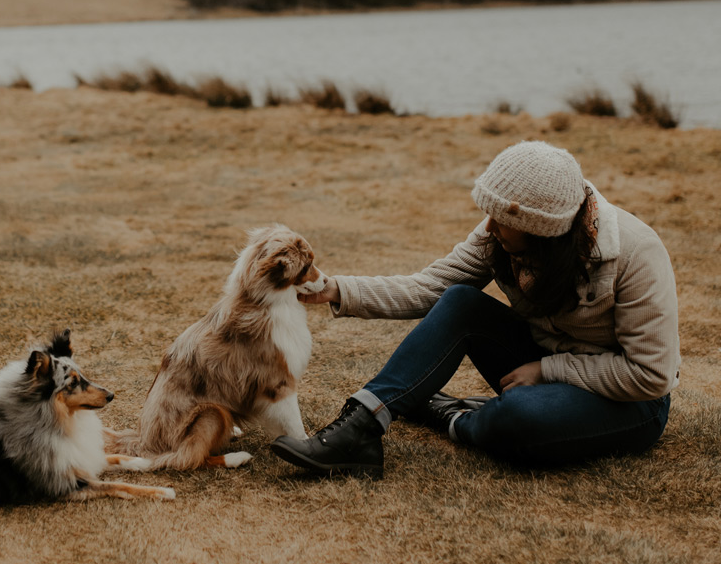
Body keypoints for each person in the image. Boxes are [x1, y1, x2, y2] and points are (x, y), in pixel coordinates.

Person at [270, 141, 680, 477]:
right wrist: (339, 290)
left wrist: (549, 371)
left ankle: (452, 417)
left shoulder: (636, 253)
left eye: (501, 218)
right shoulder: (499, 237)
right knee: (459, 301)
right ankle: (360, 427)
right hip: (545, 361)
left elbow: (650, 375)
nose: (488, 226)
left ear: (540, 230)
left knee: (520, 418)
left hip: (628, 400)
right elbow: (429, 287)